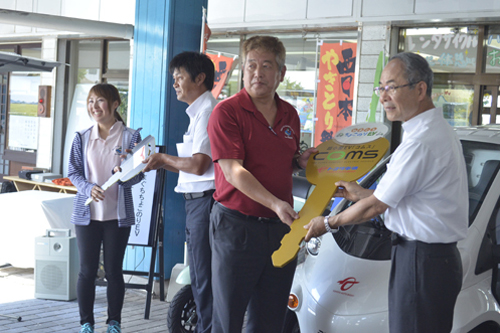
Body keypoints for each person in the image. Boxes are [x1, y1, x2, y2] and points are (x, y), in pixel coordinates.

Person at [304, 52, 468, 333]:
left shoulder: (422, 141)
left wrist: (328, 223)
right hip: (428, 260)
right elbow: (408, 198)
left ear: (420, 89)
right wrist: (361, 193)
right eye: (381, 88)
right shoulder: (433, 130)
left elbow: (377, 207)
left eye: (392, 87)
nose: (383, 97)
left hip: (422, 261)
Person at [207, 35, 316, 333]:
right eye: (252, 65)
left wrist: (300, 161)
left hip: (282, 230)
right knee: (228, 317)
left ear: (280, 73)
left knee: (269, 319)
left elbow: (283, 159)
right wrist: (276, 203)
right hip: (236, 227)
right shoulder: (226, 112)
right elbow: (233, 171)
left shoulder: (290, 114)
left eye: (267, 66)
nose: (258, 73)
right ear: (243, 70)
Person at [142, 51, 217, 333]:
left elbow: (199, 165)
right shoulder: (198, 111)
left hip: (205, 203)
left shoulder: (208, 111)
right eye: (173, 78)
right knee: (200, 276)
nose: (174, 84)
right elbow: (194, 165)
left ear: (200, 78)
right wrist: (159, 163)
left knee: (204, 278)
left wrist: (163, 160)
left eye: (179, 77)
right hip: (196, 203)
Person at [68, 83, 144, 333]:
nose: (94, 106)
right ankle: (86, 323)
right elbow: (73, 173)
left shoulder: (131, 137)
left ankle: (114, 322)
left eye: (100, 101)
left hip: (117, 216)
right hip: (86, 215)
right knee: (87, 271)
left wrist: (124, 174)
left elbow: (138, 176)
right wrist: (89, 188)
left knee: (113, 271)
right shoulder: (82, 136)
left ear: (114, 104)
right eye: (91, 101)